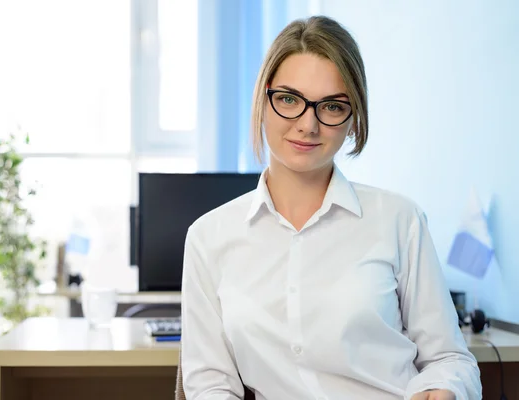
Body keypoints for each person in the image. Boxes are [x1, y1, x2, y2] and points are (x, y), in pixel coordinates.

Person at [180, 15, 481, 400]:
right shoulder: (209, 237)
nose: (308, 125)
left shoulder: (399, 220)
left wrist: (445, 388)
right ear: (263, 100)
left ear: (353, 118)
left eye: (332, 107)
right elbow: (210, 384)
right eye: (289, 99)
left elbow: (450, 359)